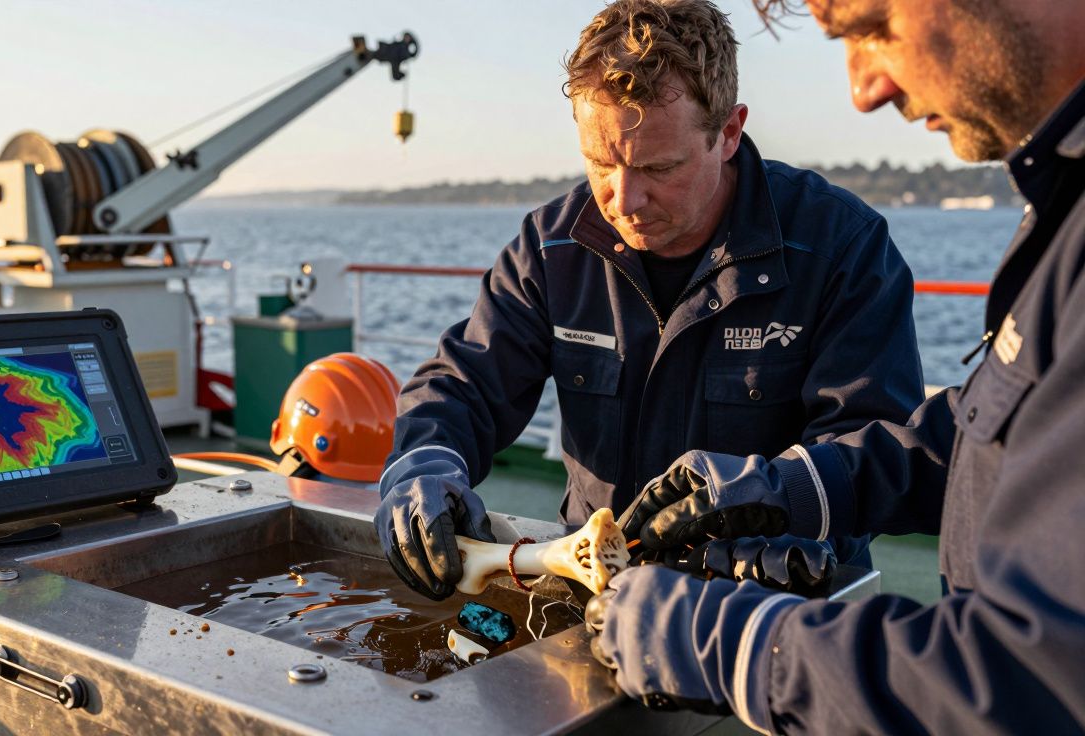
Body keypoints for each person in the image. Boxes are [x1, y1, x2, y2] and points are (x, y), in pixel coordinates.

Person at [589, 0, 1085, 732]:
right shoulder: (1066, 205)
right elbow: (995, 430)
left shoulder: (844, 238)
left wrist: (743, 644)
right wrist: (789, 486)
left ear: (727, 135)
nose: (864, 90)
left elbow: (1030, 681)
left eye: (874, 26)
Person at [376, 0, 925, 602]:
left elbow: (872, 443)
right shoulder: (552, 247)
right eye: (599, 162)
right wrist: (422, 464)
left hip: (777, 612)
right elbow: (466, 382)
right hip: (596, 598)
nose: (624, 198)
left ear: (730, 132)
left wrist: (774, 508)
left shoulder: (841, 247)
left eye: (657, 167)